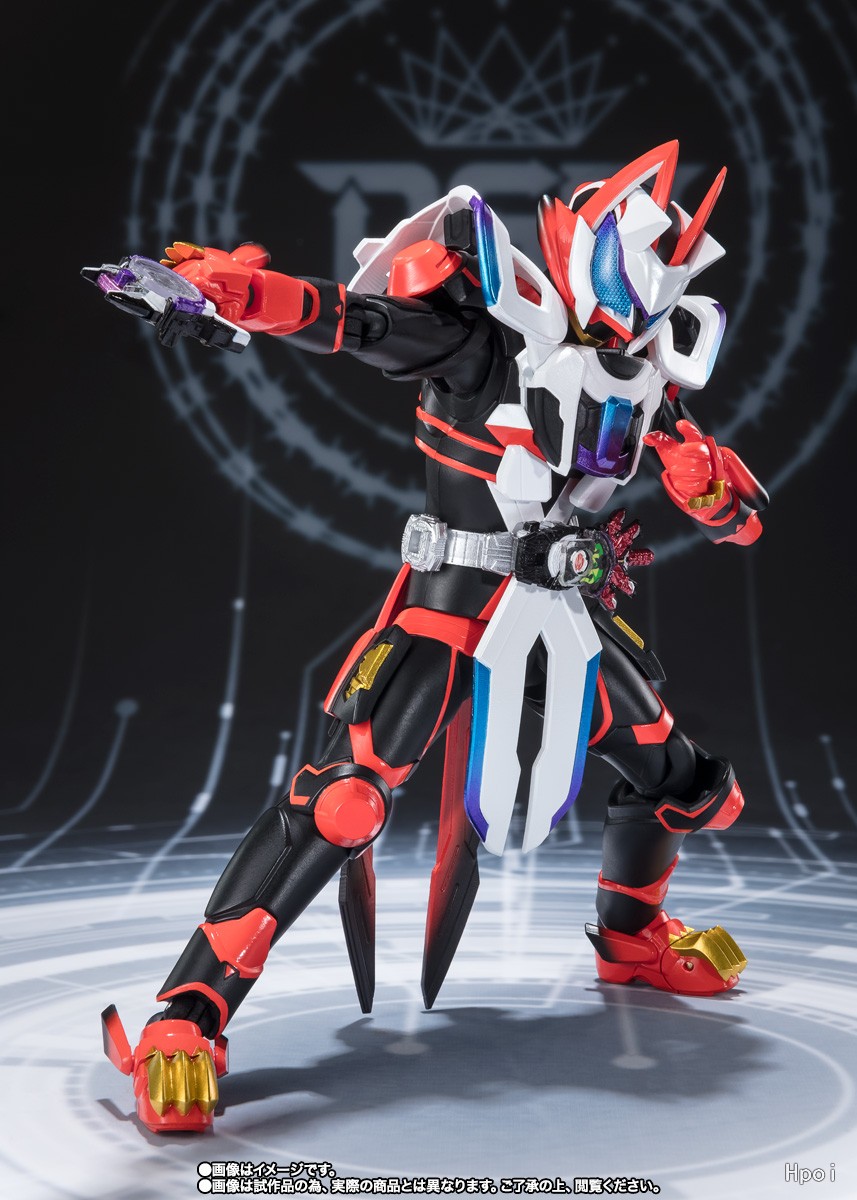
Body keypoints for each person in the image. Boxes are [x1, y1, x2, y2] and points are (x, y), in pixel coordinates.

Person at [100, 141, 766, 1132]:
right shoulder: (481, 343)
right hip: (448, 607)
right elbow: (345, 319)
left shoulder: (647, 382)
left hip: (563, 613)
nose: (631, 321)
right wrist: (240, 295)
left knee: (686, 781)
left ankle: (630, 942)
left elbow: (737, 519)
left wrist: (708, 488)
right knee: (344, 801)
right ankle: (187, 1013)